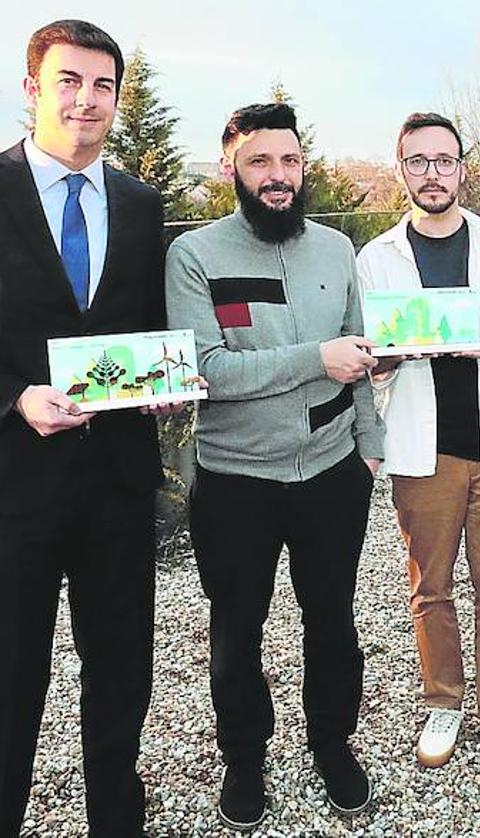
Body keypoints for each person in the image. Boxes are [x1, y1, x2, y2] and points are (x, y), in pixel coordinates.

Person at [166, 103, 384, 830]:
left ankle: (332, 744)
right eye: (260, 162)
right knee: (236, 632)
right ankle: (244, 759)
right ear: (232, 167)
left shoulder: (335, 248)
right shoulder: (194, 256)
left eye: (289, 161)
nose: (278, 176)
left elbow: (360, 351)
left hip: (331, 474)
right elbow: (208, 370)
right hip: (236, 482)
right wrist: (311, 360)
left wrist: (369, 442)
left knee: (333, 623)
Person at [0, 20, 171, 836]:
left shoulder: (141, 205)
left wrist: (165, 388)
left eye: (103, 85)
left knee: (119, 674)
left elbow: (147, 329)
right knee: (10, 678)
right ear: (31, 88)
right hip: (14, 488)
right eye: (70, 80)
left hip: (117, 485)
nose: (87, 99)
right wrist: (14, 398)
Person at [356, 112, 480, 772]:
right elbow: (371, 359)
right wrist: (385, 355)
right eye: (418, 162)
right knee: (430, 586)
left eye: (444, 160)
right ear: (401, 168)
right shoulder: (376, 260)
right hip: (420, 448)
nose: (432, 174)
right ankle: (444, 700)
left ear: (464, 168)